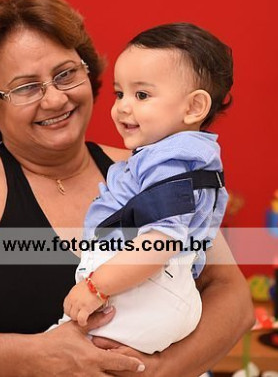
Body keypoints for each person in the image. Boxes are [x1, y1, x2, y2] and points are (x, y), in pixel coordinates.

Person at [0, 0, 254, 377]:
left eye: (65, 74)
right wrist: (36, 357)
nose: (54, 100)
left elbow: (234, 299)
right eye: (25, 87)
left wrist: (156, 370)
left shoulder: (144, 169)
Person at [60, 23, 232, 355]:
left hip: (149, 290)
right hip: (159, 291)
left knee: (67, 354)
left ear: (194, 108)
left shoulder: (167, 163)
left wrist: (96, 287)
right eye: (119, 94)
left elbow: (162, 241)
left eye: (141, 95)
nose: (123, 107)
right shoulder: (182, 159)